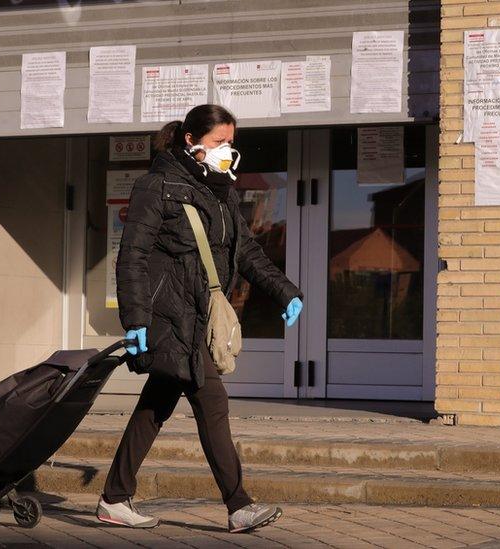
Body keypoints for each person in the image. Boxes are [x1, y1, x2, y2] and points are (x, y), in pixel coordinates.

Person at [97, 104, 303, 534]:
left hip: (197, 317)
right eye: (219, 142)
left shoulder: (222, 190)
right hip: (169, 317)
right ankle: (238, 505)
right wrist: (135, 318)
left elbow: (244, 251)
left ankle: (115, 498)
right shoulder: (156, 186)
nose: (227, 150)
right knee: (213, 402)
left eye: (231, 142)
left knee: (155, 406)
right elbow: (131, 255)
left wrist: (283, 291)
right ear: (191, 141)